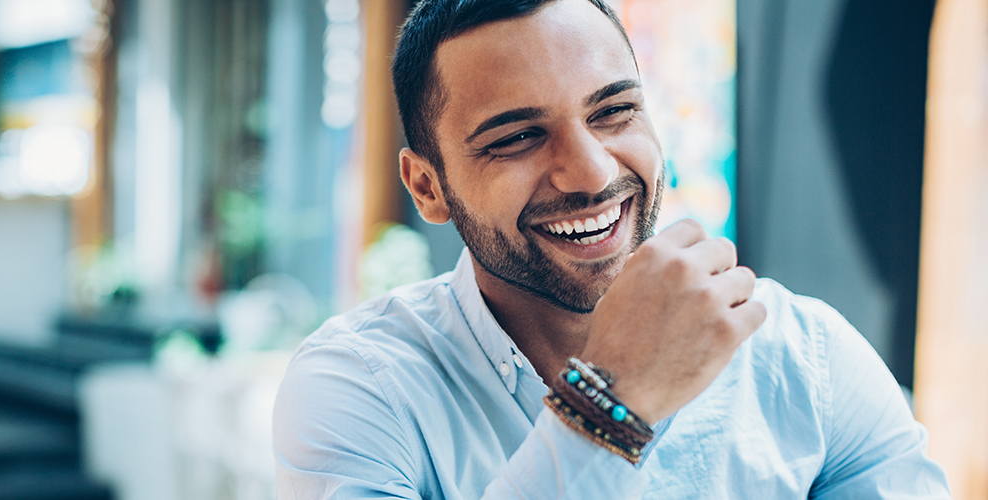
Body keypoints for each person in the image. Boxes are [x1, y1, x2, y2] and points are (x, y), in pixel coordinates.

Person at [272, 0, 952, 497]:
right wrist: (610, 406)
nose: (594, 173)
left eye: (613, 111)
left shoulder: (807, 359)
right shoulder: (361, 387)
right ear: (427, 186)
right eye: (516, 138)